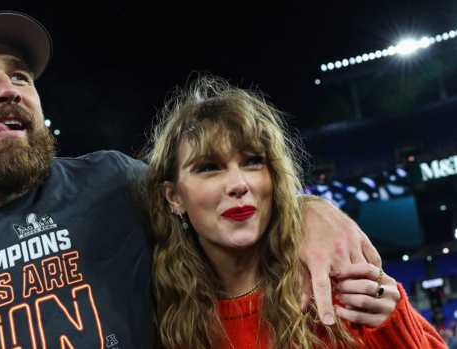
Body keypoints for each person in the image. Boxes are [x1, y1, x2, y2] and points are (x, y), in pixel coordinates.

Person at [0, 10, 382, 349]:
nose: (9, 88)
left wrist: (312, 209)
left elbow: (221, 190)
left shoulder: (112, 184)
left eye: (20, 75)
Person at [144, 75, 446, 348]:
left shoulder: (334, 282)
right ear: (174, 197)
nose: (238, 184)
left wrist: (391, 326)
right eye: (209, 167)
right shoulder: (161, 317)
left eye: (252, 162)